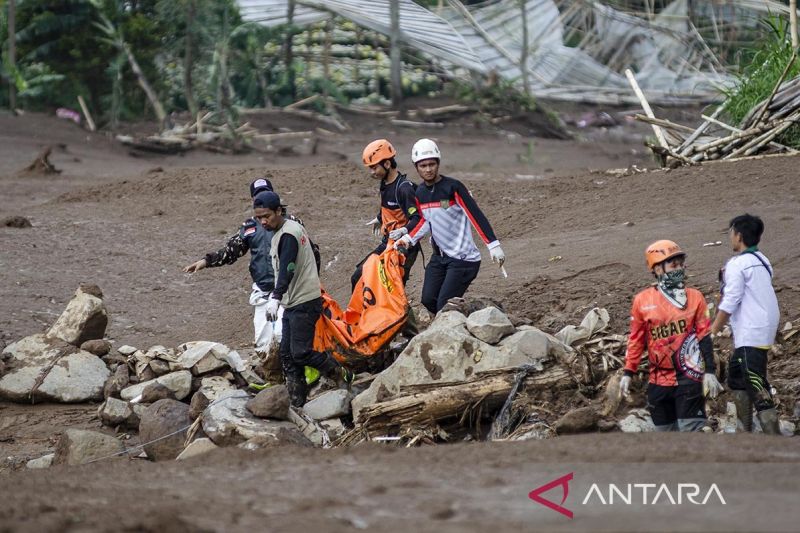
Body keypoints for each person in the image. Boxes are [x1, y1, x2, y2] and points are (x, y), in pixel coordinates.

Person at [253, 190, 353, 407]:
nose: (263, 221)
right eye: (258, 217)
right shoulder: (284, 231)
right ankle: (297, 400)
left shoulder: (288, 234)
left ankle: (340, 372)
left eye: (267, 216)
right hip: (294, 302)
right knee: (287, 355)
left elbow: (288, 267)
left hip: (304, 301)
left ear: (279, 211)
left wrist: (275, 297)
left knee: (300, 352)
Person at [620, 240, 723, 432]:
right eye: (673, 265)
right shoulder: (642, 301)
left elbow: (704, 337)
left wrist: (709, 370)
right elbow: (636, 339)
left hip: (689, 380)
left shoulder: (695, 297)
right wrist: (628, 372)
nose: (680, 269)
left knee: (691, 433)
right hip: (658, 382)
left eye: (681, 264)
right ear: (658, 269)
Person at [394, 139, 505, 314]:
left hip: (463, 259)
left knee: (443, 308)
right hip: (439, 258)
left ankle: (470, 316)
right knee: (428, 300)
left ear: (438, 163)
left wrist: (493, 245)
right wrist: (407, 238)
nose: (428, 169)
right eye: (423, 165)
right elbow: (423, 221)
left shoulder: (453, 187)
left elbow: (475, 215)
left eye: (432, 164)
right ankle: (465, 313)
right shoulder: (420, 193)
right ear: (416, 167)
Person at [183, 178, 278, 352]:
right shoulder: (249, 227)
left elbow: (308, 252)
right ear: (253, 200)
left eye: (265, 193)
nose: (262, 198)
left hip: (289, 290)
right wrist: (206, 261)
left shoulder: (290, 223)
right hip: (263, 291)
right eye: (258, 196)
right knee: (263, 344)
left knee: (288, 338)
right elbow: (231, 251)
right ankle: (273, 377)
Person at [710, 214, 781, 434]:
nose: (730, 237)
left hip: (752, 333)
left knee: (756, 385)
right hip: (760, 331)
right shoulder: (762, 260)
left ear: (738, 236)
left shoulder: (738, 264)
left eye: (730, 233)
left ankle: (775, 440)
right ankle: (745, 432)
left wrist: (712, 330)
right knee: (737, 378)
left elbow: (731, 300)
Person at [352, 139, 421, 290]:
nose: (372, 172)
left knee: (391, 290)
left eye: (374, 168)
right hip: (387, 243)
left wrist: (404, 231)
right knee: (358, 276)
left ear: (387, 164)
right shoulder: (385, 183)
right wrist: (379, 217)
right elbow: (390, 205)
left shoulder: (404, 189)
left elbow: (417, 218)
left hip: (404, 248)